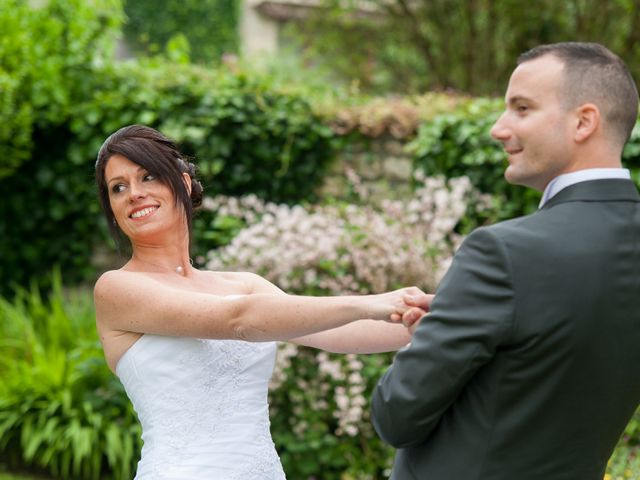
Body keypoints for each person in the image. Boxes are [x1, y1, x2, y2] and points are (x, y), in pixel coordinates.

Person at [93, 124, 426, 479]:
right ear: (112, 209)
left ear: (184, 184)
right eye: (119, 187)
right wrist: (368, 302)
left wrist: (439, 316)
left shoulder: (242, 284)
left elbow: (342, 332)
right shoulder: (117, 289)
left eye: (148, 177)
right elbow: (239, 321)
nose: (134, 194)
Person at [371, 42, 640, 480]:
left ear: (584, 121)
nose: (499, 128)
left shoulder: (502, 252)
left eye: (521, 108)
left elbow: (396, 414)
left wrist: (423, 342)